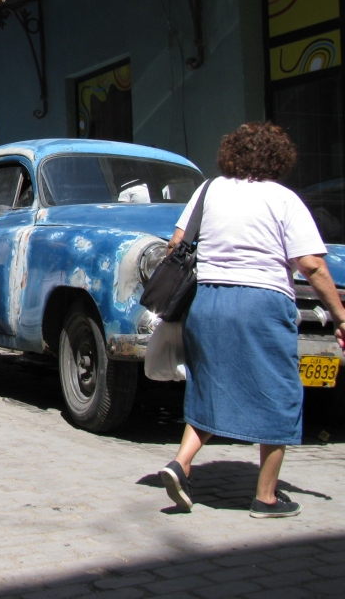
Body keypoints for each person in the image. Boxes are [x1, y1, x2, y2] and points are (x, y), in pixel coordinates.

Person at [159, 122, 345, 519]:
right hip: (261, 303)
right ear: (278, 159)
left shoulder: (208, 190)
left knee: (210, 385)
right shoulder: (284, 199)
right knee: (280, 392)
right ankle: (266, 498)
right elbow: (312, 265)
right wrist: (339, 315)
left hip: (208, 301)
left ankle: (181, 463)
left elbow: (176, 243)